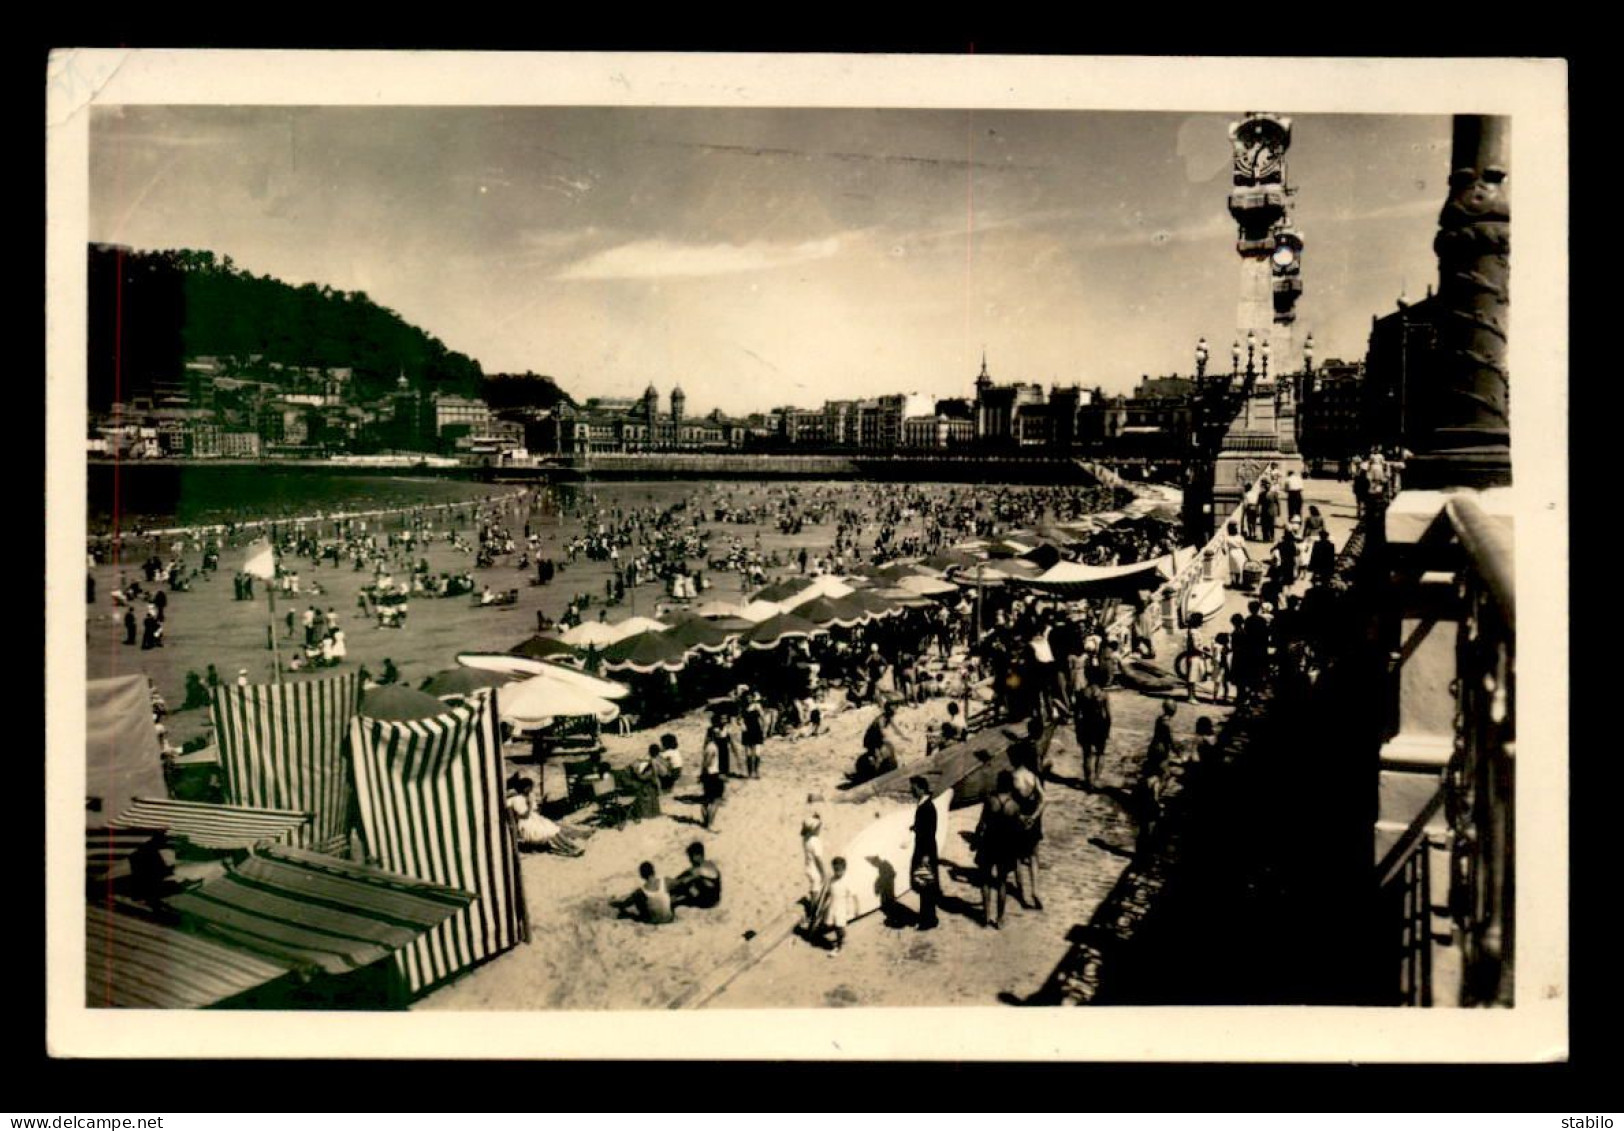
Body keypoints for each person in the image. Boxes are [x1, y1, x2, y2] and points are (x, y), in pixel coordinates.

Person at [974, 770, 1023, 929]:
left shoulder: (990, 801)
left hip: (989, 842)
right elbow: (1017, 829)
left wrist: (975, 840)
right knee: (1002, 882)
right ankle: (1000, 918)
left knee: (985, 880)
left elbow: (981, 824)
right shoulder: (1014, 805)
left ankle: (986, 915)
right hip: (1005, 845)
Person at [1009, 742, 1046, 912]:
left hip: (1018, 819)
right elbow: (1045, 799)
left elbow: (1011, 802)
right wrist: (1034, 816)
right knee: (1033, 857)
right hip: (1033, 818)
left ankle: (1022, 894)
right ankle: (1036, 890)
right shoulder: (1033, 775)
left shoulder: (1014, 776)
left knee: (1016, 857)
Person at [506, 776, 583, 856]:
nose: (531, 790)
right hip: (527, 825)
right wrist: (529, 804)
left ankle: (572, 847)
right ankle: (569, 849)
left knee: (555, 829)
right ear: (525, 788)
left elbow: (535, 811)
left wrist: (538, 804)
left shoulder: (527, 796)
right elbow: (524, 815)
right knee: (551, 832)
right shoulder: (517, 799)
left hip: (534, 820)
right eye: (530, 788)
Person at [811, 856, 859, 955]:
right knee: (832, 924)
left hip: (842, 907)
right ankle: (842, 937)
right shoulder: (832, 880)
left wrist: (857, 908)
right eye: (835, 870)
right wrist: (823, 903)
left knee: (839, 926)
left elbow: (855, 896)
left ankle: (838, 946)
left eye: (839, 870)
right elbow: (828, 892)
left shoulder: (847, 881)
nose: (837, 872)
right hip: (833, 906)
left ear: (844, 869)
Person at [909, 776, 940, 930]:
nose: (911, 791)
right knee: (925, 884)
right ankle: (927, 916)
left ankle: (928, 920)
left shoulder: (927, 807)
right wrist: (915, 827)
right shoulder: (925, 805)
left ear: (921, 788)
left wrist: (926, 856)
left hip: (925, 851)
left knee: (925, 884)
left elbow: (930, 832)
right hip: (925, 849)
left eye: (913, 788)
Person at [1074, 680, 1111, 790]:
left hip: (1086, 724)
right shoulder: (1103, 694)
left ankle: (1088, 781)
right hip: (1100, 725)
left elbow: (1077, 715)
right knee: (1100, 753)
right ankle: (1096, 779)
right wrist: (1107, 730)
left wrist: (1077, 730)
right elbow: (1108, 715)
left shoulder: (1082, 693)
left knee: (1087, 754)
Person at [670, 841, 722, 909]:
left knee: (685, 887)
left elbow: (692, 876)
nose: (690, 860)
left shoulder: (705, 869)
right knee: (683, 883)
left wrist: (689, 879)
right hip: (709, 897)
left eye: (691, 857)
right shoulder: (706, 865)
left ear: (698, 855)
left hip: (709, 901)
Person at [699, 717, 727, 830]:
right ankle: (710, 824)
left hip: (708, 775)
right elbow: (708, 762)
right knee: (715, 801)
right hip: (713, 775)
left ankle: (706, 821)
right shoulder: (713, 747)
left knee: (707, 800)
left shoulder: (707, 746)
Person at [740, 693, 767, 779]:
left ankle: (756, 772)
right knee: (748, 754)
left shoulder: (757, 706)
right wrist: (742, 724)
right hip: (747, 732)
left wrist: (764, 731)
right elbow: (739, 719)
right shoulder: (742, 707)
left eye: (750, 697)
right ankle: (749, 773)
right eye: (747, 698)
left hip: (756, 730)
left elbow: (764, 719)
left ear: (752, 698)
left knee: (757, 753)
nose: (748, 699)